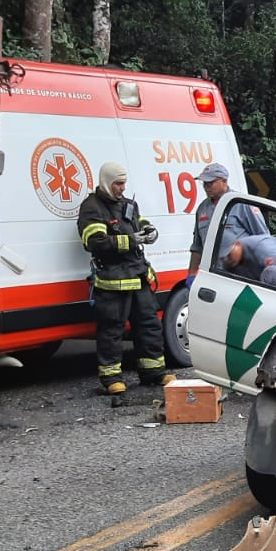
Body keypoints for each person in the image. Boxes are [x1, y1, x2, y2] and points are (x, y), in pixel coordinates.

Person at [76, 162, 172, 395]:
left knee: (149, 325)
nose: (122, 188)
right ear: (107, 183)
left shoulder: (128, 204)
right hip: (112, 282)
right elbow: (95, 242)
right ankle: (111, 378)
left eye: (124, 183)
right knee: (112, 330)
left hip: (138, 275)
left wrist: (150, 232)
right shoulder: (92, 207)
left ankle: (154, 372)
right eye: (118, 184)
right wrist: (131, 240)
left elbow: (140, 223)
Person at [188, 162, 266, 285]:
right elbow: (197, 247)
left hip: (241, 277)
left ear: (224, 181)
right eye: (204, 183)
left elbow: (264, 240)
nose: (206, 187)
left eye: (210, 183)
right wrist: (192, 274)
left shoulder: (242, 204)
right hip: (213, 277)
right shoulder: (202, 209)